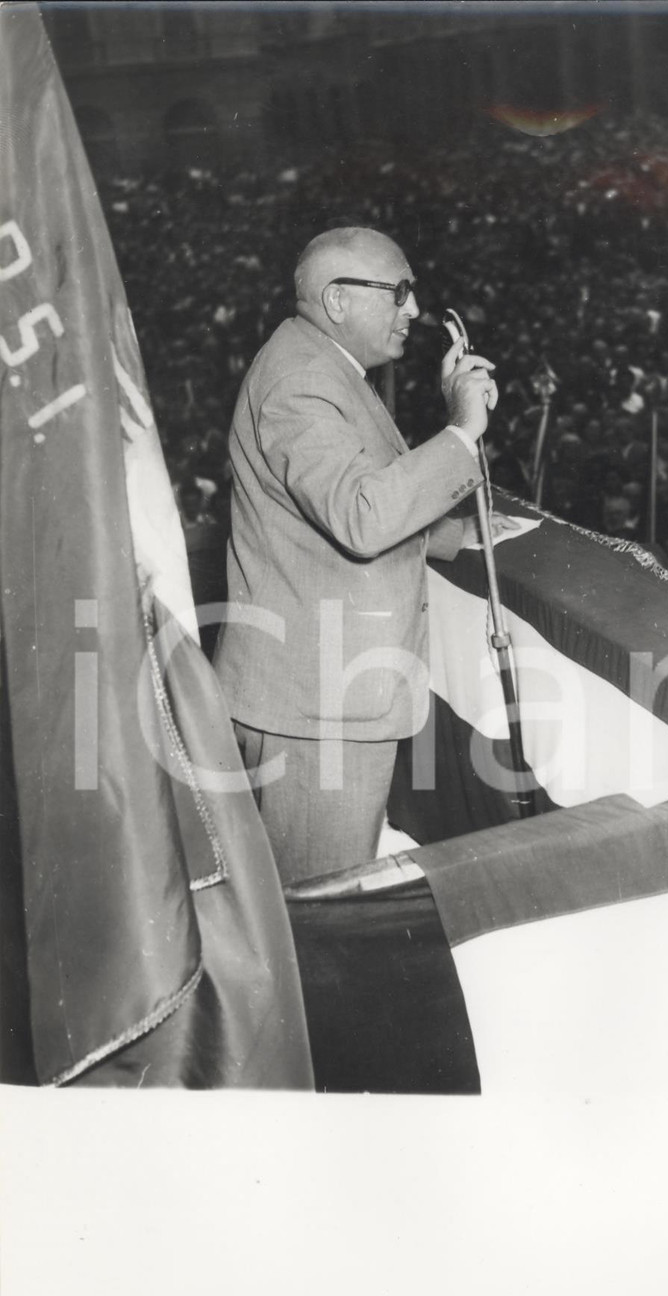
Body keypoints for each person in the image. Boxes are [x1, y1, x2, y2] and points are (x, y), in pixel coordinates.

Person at [213, 226, 512, 883]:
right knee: (321, 906)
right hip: (319, 708)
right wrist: (461, 430)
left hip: (322, 690)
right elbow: (360, 515)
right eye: (399, 292)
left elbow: (344, 492)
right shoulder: (301, 383)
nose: (414, 309)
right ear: (338, 300)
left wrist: (452, 537)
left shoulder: (321, 363)